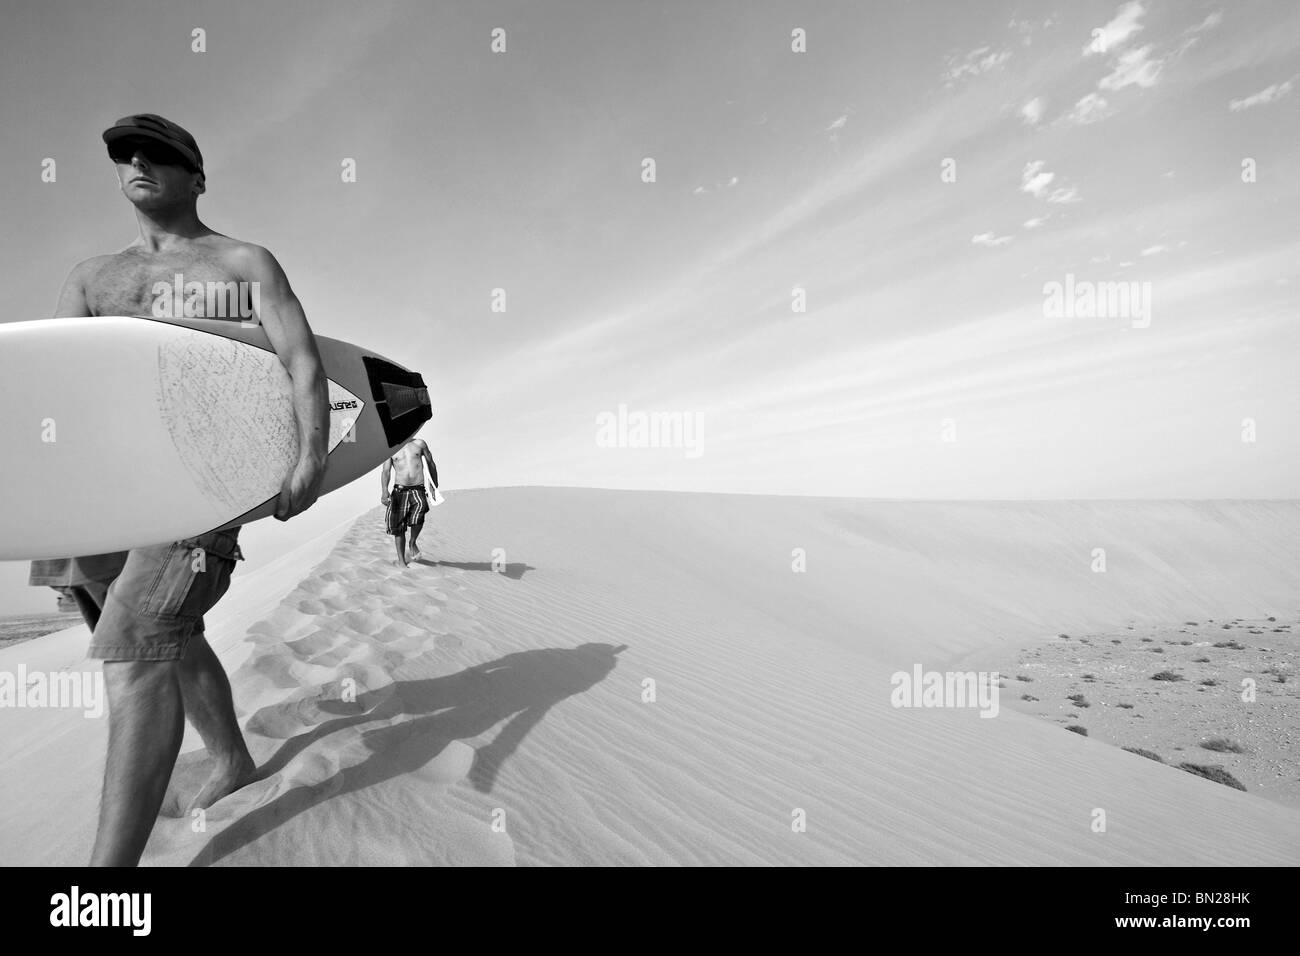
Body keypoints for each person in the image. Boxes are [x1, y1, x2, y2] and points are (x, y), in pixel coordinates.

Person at [32, 113, 329, 866]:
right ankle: (230, 759)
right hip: (105, 495)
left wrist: (309, 456)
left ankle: (105, 890)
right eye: (124, 153)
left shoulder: (241, 262)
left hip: (200, 486)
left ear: (196, 177)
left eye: (160, 153)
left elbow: (299, 359)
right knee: (162, 636)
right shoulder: (91, 276)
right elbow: (62, 389)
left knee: (134, 656)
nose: (138, 161)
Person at [381, 437, 438, 566]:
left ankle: (412, 542)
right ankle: (402, 561)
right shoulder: (390, 448)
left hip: (418, 488)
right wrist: (384, 490)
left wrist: (434, 484)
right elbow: (386, 471)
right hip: (399, 491)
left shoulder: (419, 443)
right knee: (398, 527)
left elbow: (431, 463)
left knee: (420, 514)